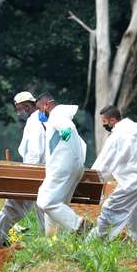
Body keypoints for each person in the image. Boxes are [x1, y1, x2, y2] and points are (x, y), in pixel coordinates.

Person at [0, 91, 46, 246]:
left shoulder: (35, 122)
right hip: (40, 172)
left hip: (34, 172)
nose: (19, 113)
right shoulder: (41, 120)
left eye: (20, 109)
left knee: (15, 206)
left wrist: (28, 174)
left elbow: (35, 151)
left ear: (27, 106)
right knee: (36, 207)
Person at [89, 105, 137, 241]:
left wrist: (91, 178)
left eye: (105, 123)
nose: (104, 126)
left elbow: (105, 162)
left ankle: (95, 241)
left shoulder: (117, 135)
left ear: (112, 120)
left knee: (110, 208)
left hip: (132, 181)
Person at [35, 93, 88, 236]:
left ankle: (79, 225)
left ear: (46, 105)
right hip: (71, 167)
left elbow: (67, 129)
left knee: (45, 201)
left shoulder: (56, 114)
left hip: (61, 167)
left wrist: (65, 138)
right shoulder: (59, 116)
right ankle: (52, 240)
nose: (40, 114)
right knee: (58, 204)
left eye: (39, 109)